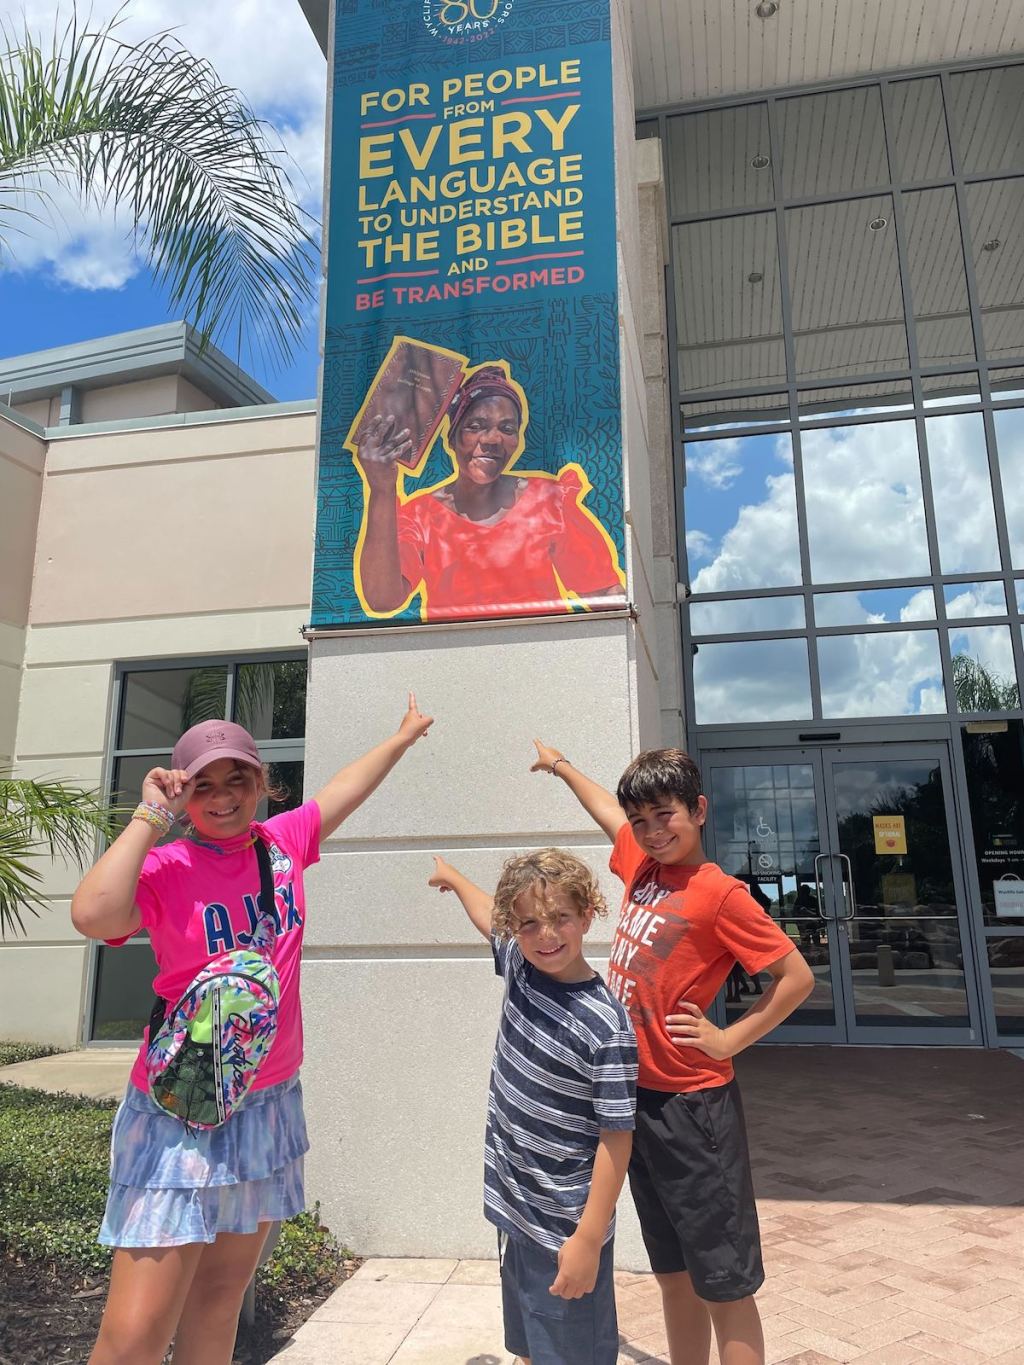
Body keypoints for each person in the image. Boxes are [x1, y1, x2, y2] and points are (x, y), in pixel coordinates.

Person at [71, 694, 433, 1365]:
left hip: (265, 1104)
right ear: (183, 794)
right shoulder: (167, 866)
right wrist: (152, 813)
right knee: (135, 1335)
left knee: (220, 1298)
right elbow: (93, 914)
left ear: (262, 784)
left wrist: (403, 737)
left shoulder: (282, 846)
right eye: (202, 784)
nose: (223, 796)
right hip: (179, 1109)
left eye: (237, 778)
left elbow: (339, 792)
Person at [529, 742, 815, 1365]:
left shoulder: (720, 895)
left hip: (694, 1110)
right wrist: (563, 765)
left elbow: (796, 978)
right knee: (674, 1272)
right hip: (636, 1103)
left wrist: (729, 1038)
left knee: (725, 1284)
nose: (653, 832)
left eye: (666, 815)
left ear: (699, 809)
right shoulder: (642, 868)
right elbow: (610, 813)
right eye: (643, 821)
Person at [428, 848, 637, 1365]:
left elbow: (618, 1137)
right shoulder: (521, 964)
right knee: (530, 1345)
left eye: (560, 918)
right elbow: (487, 915)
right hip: (517, 1212)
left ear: (587, 914)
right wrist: (455, 879)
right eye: (530, 923)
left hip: (565, 1225)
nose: (546, 935)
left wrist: (589, 1238)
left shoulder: (605, 1025)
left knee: (571, 1353)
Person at [354, 362, 625, 622]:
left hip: (540, 659)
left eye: (507, 429)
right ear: (452, 437)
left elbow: (605, 595)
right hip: (451, 662)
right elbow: (382, 599)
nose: (492, 439)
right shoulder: (420, 516)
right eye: (475, 426)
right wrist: (382, 489)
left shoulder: (549, 502)